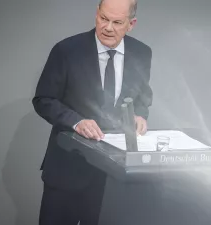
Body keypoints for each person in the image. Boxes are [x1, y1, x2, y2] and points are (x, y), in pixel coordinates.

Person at [32, 0, 153, 224]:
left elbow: (143, 97)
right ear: (96, 14)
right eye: (103, 18)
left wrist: (139, 115)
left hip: (114, 178)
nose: (108, 27)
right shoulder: (66, 50)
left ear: (131, 24)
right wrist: (76, 122)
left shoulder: (142, 53)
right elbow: (43, 99)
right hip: (67, 171)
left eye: (117, 22)